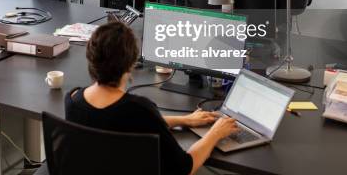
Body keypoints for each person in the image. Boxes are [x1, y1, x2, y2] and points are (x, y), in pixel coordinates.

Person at [65, 22, 238, 175]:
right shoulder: (139, 109)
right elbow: (184, 168)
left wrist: (184, 120)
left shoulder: (73, 100)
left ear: (91, 57)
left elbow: (126, 122)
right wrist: (215, 134)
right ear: (131, 62)